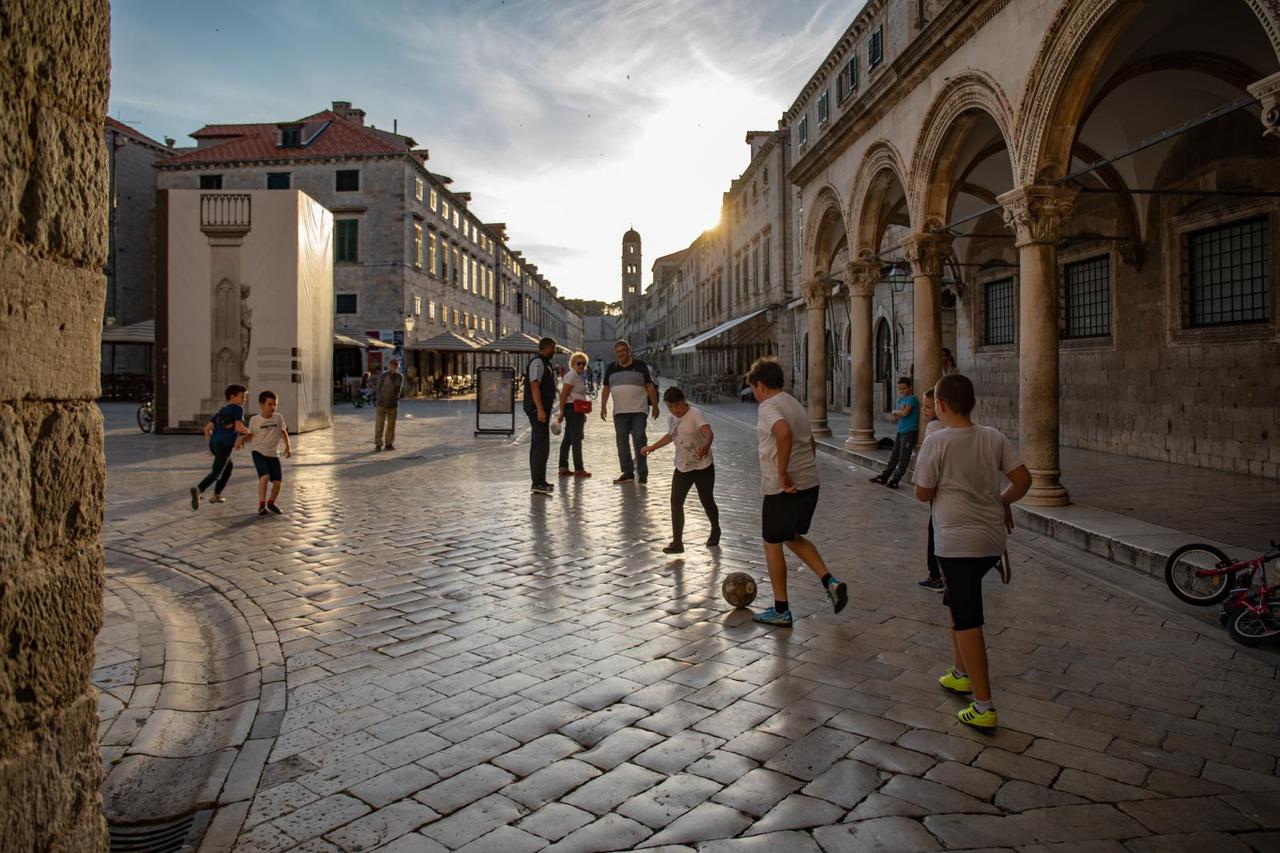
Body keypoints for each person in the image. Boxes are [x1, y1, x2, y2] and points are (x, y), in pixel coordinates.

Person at [913, 374, 1031, 731]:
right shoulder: (993, 437)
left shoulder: (937, 441)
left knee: (968, 617)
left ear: (941, 406)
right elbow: (1023, 480)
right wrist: (1001, 500)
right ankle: (960, 672)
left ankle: (983, 705)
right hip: (991, 542)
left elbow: (922, 492)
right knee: (954, 599)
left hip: (956, 542)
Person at [746, 358, 847, 626]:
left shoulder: (769, 406)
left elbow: (784, 434)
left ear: (760, 385)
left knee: (772, 542)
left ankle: (781, 609)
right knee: (791, 536)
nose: (754, 395)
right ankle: (830, 581)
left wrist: (782, 473)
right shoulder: (793, 404)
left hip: (783, 489)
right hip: (809, 485)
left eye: (754, 389)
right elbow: (810, 442)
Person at [641, 386, 721, 554]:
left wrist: (706, 446)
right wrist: (652, 447)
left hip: (703, 466)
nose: (675, 410)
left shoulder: (695, 414)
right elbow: (671, 435)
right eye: (670, 407)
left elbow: (708, 432)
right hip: (682, 466)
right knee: (676, 502)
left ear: (684, 401)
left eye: (677, 405)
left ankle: (715, 529)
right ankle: (677, 542)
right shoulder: (672, 419)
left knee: (706, 500)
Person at [599, 339, 659, 485]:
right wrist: (603, 406)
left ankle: (643, 472)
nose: (620, 354)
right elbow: (606, 388)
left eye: (623, 351)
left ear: (629, 351)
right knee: (622, 442)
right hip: (620, 412)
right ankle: (627, 473)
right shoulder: (611, 368)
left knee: (639, 439)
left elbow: (649, 386)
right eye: (618, 352)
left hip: (639, 410)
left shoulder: (640, 366)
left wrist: (656, 405)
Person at [190, 384, 250, 510]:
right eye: (242, 397)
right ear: (233, 397)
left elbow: (207, 429)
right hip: (224, 446)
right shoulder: (237, 409)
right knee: (217, 473)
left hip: (214, 444)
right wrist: (251, 432)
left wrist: (212, 444)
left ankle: (216, 495)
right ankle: (199, 489)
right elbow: (239, 427)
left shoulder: (222, 410)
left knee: (228, 466)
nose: (244, 400)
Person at [240, 389, 292, 516]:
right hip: (258, 452)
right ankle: (262, 505)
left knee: (278, 483)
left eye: (275, 404)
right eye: (270, 404)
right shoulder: (255, 420)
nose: (273, 407)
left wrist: (288, 446)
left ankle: (271, 502)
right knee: (264, 476)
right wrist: (242, 440)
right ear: (261, 405)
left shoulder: (278, 418)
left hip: (273, 454)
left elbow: (283, 431)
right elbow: (250, 435)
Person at [916, 388, 946, 592]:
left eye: (928, 406)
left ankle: (936, 576)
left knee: (934, 530)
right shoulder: (987, 435)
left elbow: (922, 490)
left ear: (940, 405)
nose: (925, 410)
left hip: (940, 492)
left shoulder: (933, 429)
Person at [870, 376, 918, 489]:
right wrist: (898, 412)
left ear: (910, 388)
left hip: (909, 431)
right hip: (900, 430)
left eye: (904, 388)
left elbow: (905, 413)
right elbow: (896, 417)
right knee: (894, 455)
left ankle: (896, 479)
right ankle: (884, 476)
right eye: (900, 389)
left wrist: (896, 411)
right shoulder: (901, 400)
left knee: (903, 456)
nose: (902, 391)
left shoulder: (912, 399)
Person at [524, 337, 558, 495]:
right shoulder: (538, 363)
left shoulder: (544, 363)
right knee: (540, 445)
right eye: (554, 348)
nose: (555, 351)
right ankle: (537, 482)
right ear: (547, 347)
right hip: (537, 409)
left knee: (542, 445)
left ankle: (540, 480)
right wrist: (540, 409)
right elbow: (534, 385)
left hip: (541, 408)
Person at [557, 351, 592, 478]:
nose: (581, 366)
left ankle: (563, 467)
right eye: (578, 363)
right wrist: (561, 412)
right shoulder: (572, 376)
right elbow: (563, 395)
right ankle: (579, 468)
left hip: (574, 409)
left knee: (568, 438)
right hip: (572, 409)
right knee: (577, 439)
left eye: (583, 364)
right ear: (573, 364)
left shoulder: (575, 375)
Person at [374, 359, 404, 451]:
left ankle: (389, 443)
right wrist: (378, 399)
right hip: (382, 404)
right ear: (389, 365)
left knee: (391, 425)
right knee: (379, 425)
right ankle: (378, 444)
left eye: (395, 365)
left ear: (397, 367)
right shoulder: (383, 376)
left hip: (393, 404)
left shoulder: (400, 377)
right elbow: (378, 388)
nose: (393, 367)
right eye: (392, 365)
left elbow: (399, 389)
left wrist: (397, 398)